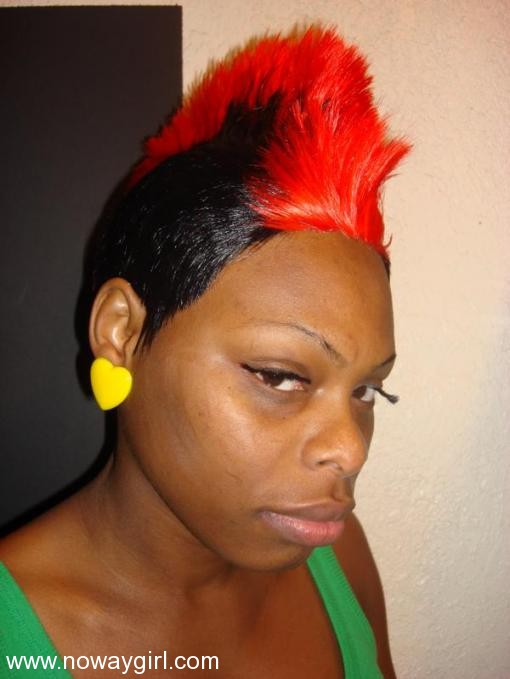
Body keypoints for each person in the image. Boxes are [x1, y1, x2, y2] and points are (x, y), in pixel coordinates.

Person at [0, 25, 409, 678]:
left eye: (365, 390)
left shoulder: (337, 558)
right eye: (280, 376)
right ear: (121, 332)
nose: (350, 450)